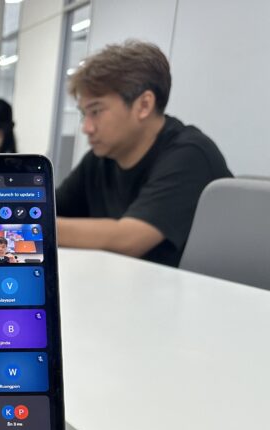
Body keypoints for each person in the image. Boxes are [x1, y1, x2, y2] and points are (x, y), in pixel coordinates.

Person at [56, 41, 231, 267]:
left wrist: (33, 228)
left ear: (144, 105)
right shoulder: (100, 158)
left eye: (96, 111)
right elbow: (49, 209)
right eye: (84, 114)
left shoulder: (191, 155)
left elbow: (129, 239)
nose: (86, 128)